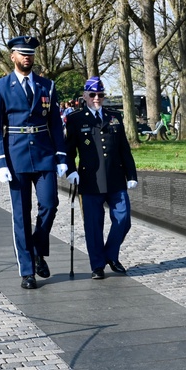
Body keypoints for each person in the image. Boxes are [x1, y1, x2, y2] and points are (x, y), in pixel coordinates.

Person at [0, 35, 68, 290]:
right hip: (16, 156)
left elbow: (55, 123)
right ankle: (27, 271)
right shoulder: (1, 87)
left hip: (44, 154)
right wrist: (0, 162)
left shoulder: (47, 86)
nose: (27, 57)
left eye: (30, 53)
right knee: (21, 216)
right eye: (22, 53)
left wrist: (62, 156)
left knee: (50, 204)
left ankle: (36, 248)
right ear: (12, 56)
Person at [64, 77, 138, 278]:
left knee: (123, 219)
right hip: (90, 180)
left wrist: (131, 174)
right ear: (85, 96)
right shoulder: (75, 119)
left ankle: (111, 255)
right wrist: (70, 171)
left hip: (115, 176)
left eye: (101, 95)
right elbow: (68, 151)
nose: (97, 98)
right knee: (93, 225)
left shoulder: (115, 116)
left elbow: (124, 148)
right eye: (93, 94)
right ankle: (97, 265)